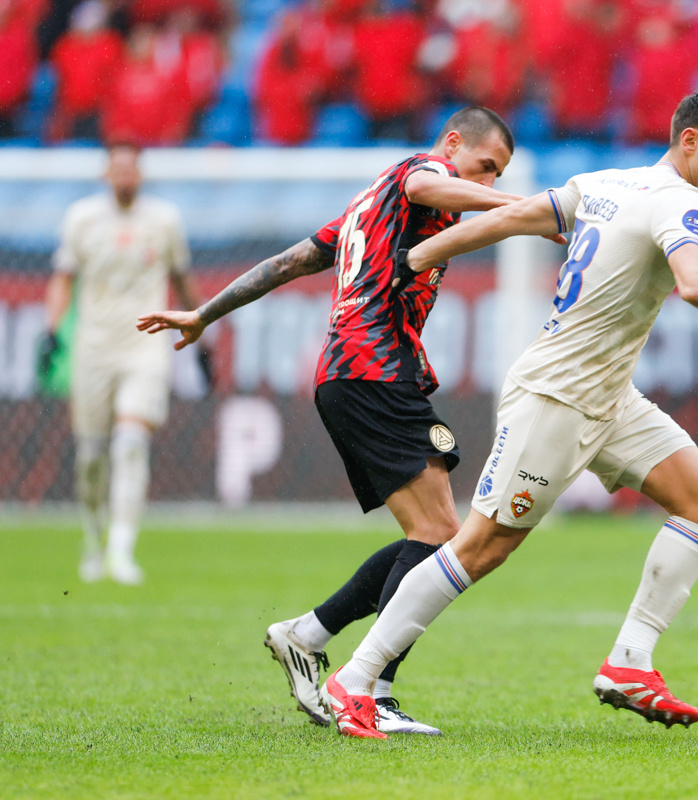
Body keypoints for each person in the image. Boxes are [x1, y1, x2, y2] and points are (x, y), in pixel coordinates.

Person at [316, 86, 698, 739]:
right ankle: (354, 680)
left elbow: (518, 216)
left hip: (609, 395)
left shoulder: (604, 183)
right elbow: (696, 283)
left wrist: (422, 255)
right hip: (559, 396)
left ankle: (630, 662)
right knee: (481, 546)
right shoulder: (683, 202)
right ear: (689, 141)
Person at [138, 107, 552, 736]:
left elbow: (287, 264)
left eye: (498, 176)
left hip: (353, 374)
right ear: (452, 144)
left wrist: (204, 313)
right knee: (441, 536)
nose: (489, 183)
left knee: (435, 534)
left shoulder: (366, 207)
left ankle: (310, 636)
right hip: (372, 369)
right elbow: (428, 183)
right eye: (486, 167)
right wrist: (528, 208)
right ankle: (370, 690)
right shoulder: (420, 173)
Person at [43, 143, 201, 585]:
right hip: (93, 349)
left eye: (132, 168)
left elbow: (182, 279)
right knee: (91, 456)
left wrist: (202, 329)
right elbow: (63, 279)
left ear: (141, 174)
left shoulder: (164, 220)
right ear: (106, 174)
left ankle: (121, 549)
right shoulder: (82, 219)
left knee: (130, 442)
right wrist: (52, 331)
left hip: (144, 347)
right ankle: (93, 539)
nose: (125, 175)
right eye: (118, 168)